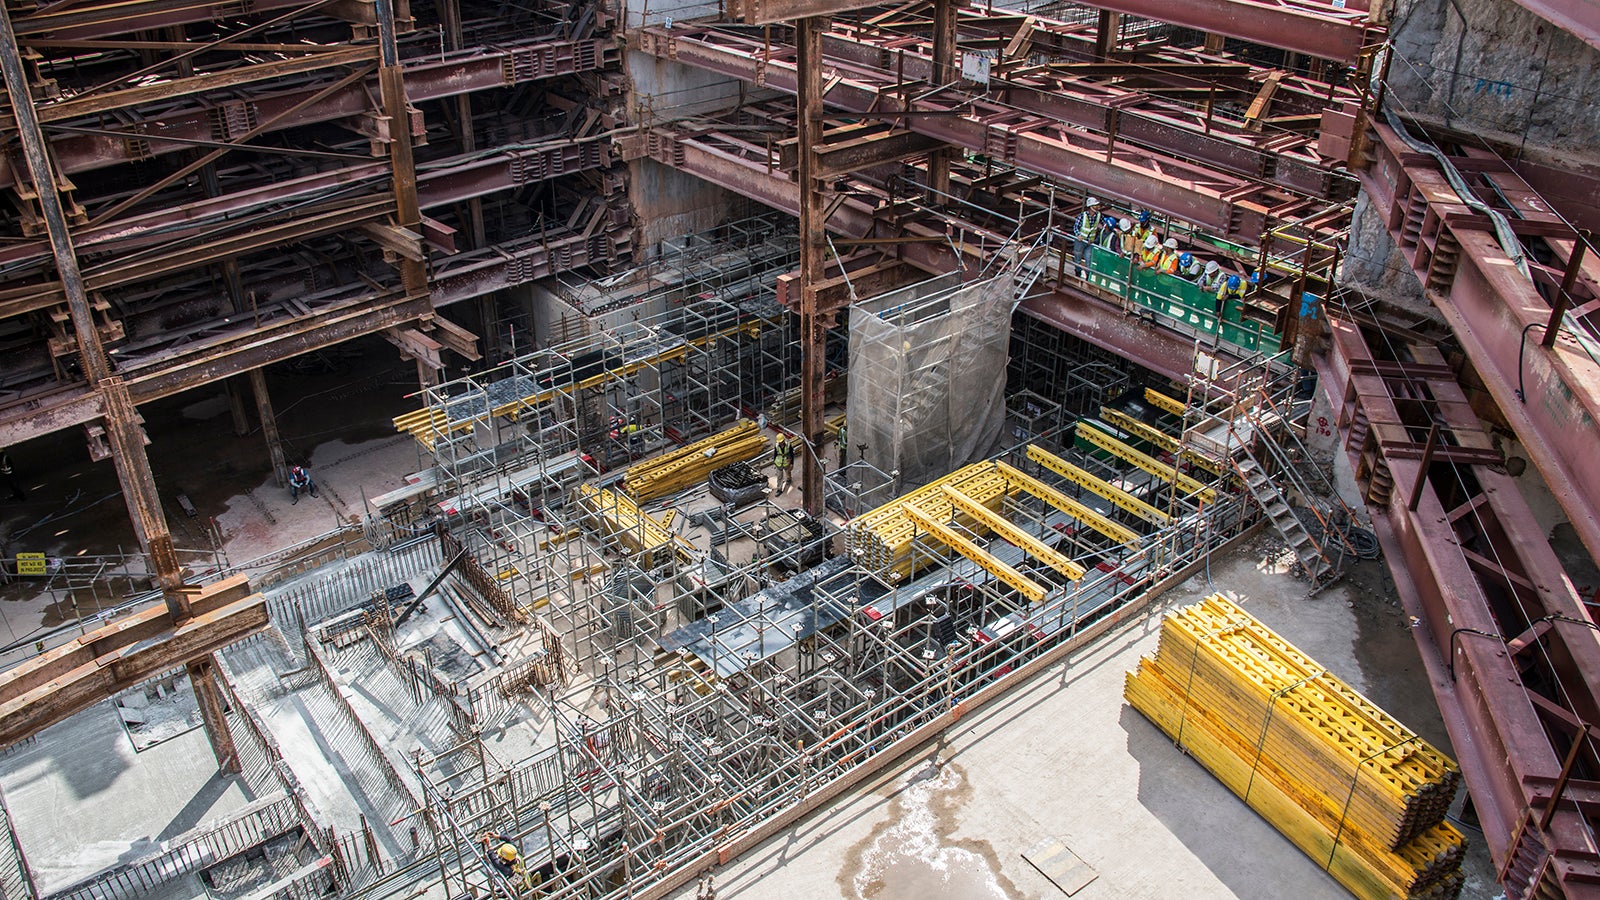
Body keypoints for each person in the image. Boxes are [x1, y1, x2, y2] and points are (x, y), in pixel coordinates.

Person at [1072, 197, 1100, 278]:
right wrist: (1078, 235)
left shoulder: (1098, 216)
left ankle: (1088, 276)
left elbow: (1103, 225)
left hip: (1090, 242)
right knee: (1078, 259)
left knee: (1089, 261)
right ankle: (1078, 273)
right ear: (1090, 206)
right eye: (1095, 206)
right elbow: (1075, 227)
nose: (1097, 207)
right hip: (1080, 242)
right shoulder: (1082, 216)